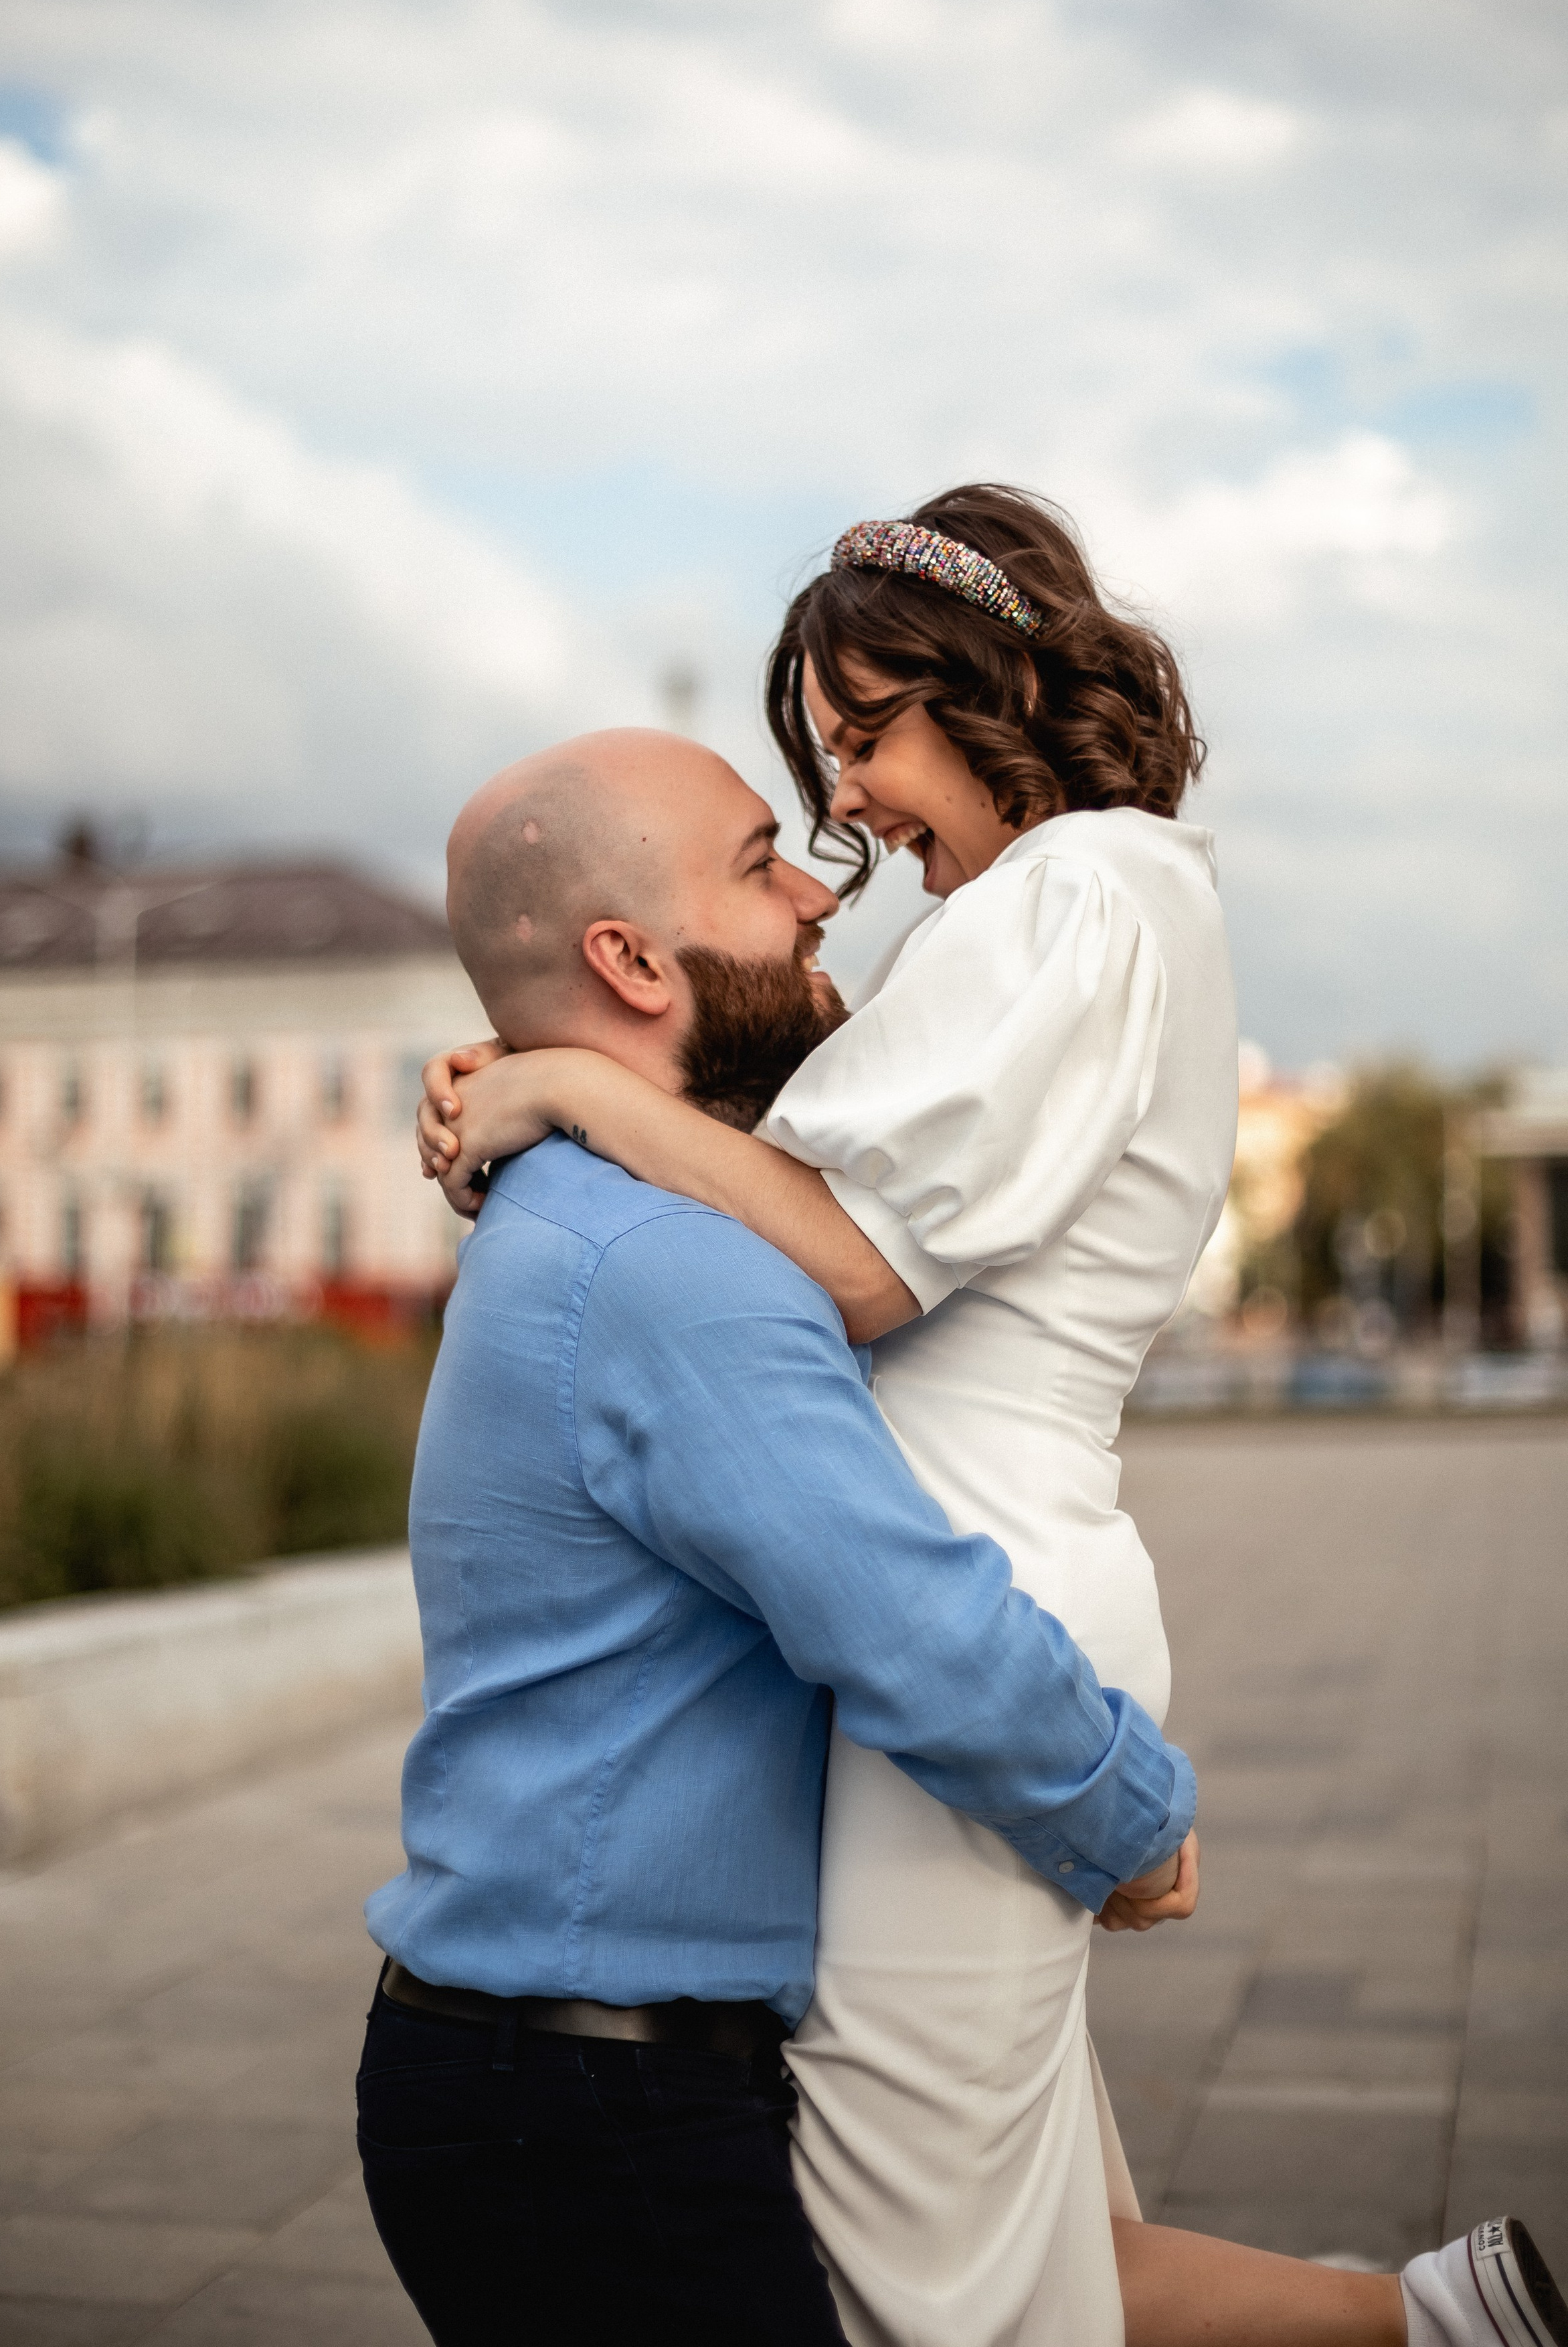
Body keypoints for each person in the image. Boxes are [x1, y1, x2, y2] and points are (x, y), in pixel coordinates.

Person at [419, 488, 1566, 2347]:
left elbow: (853, 1261)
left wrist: (572, 1086)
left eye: (864, 738)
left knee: (912, 2278)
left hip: (970, 1598)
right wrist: (554, 1060)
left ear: (997, 688)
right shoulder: (1067, 909)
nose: (848, 807)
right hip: (989, 1579)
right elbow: (772, 1132)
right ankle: (1446, 2323)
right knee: (1024, 2239)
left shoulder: (1074, 896)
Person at [359, 726, 1203, 2347]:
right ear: (628, 960)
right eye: (759, 866)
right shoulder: (667, 1265)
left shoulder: (588, 1207)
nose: (822, 896)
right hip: (589, 2111)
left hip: (545, 2076)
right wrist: (1130, 1819)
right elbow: (906, 1625)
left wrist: (548, 1077)